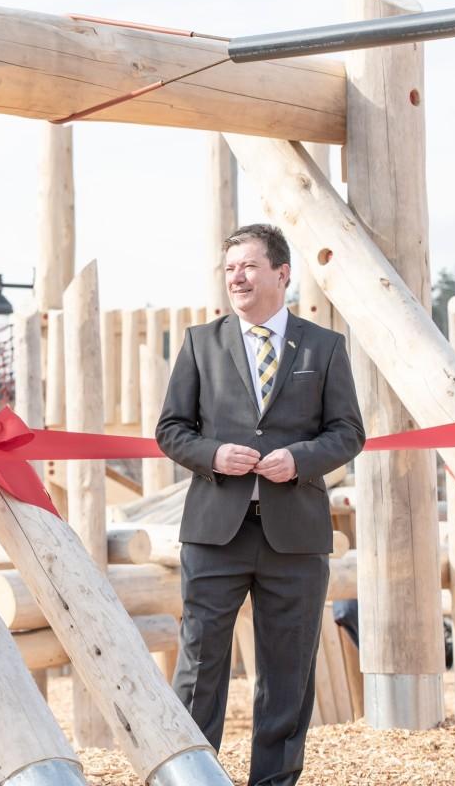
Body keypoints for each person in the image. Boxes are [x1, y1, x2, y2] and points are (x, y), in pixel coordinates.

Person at [156, 223, 365, 786]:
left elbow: (348, 433)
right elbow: (171, 430)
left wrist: (299, 459)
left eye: (248, 266)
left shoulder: (324, 347)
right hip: (214, 532)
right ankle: (192, 777)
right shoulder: (201, 342)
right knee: (199, 667)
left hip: (294, 536)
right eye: (230, 270)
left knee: (288, 673)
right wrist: (214, 454)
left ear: (282, 273)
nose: (237, 278)